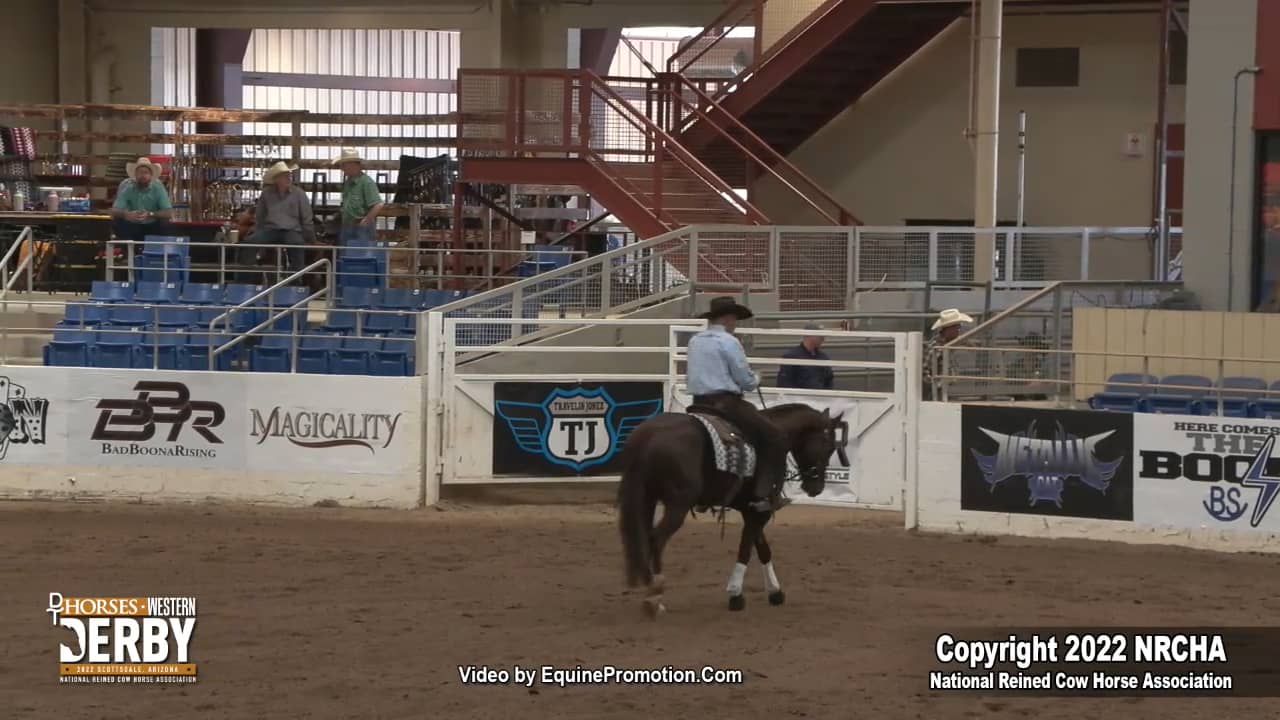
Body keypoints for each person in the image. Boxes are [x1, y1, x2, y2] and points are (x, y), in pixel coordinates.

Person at [687, 296, 789, 513]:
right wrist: (756, 379)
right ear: (727, 318)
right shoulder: (729, 342)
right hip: (725, 403)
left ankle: (704, 494)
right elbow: (745, 380)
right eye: (734, 318)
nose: (735, 323)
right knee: (774, 436)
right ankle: (763, 495)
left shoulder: (695, 340)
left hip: (697, 403)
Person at [239, 161, 313, 283]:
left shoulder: (299, 193)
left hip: (291, 230)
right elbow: (260, 215)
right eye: (285, 176)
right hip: (270, 229)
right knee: (250, 243)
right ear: (277, 179)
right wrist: (258, 230)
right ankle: (245, 281)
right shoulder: (266, 194)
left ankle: (296, 283)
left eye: (289, 175)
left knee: (297, 245)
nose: (289, 178)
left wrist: (309, 236)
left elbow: (306, 216)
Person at [110, 158, 173, 241]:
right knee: (118, 221)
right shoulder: (128, 187)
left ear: (151, 175)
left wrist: (150, 214)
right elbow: (114, 210)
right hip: (130, 225)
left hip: (152, 225)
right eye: (139, 172)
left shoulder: (158, 187)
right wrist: (127, 214)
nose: (142, 175)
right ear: (135, 175)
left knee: (165, 224)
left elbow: (168, 213)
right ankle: (126, 249)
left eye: (145, 172)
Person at [332, 148, 384, 245]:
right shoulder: (348, 182)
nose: (341, 168)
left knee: (361, 256)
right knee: (347, 256)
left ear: (353, 164)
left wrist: (366, 220)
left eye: (343, 165)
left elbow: (378, 204)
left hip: (361, 228)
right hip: (347, 226)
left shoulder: (366, 182)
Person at [925, 308, 973, 400]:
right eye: (957, 328)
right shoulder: (936, 346)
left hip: (947, 388)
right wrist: (936, 383)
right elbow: (925, 370)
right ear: (949, 329)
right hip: (939, 390)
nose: (959, 331)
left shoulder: (947, 343)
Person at [776, 322, 834, 390]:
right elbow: (784, 383)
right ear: (808, 335)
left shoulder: (823, 357)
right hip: (800, 398)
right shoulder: (791, 356)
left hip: (820, 398)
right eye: (820, 336)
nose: (823, 339)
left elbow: (829, 380)